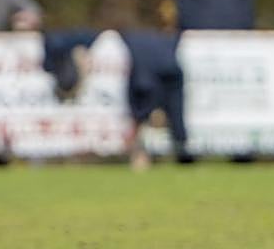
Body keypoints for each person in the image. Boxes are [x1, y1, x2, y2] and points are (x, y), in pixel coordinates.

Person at [43, 29, 191, 168]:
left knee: (146, 113)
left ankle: (148, 155)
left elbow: (142, 91)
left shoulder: (111, 44)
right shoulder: (125, 43)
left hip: (148, 69)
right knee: (171, 115)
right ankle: (181, 155)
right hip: (166, 62)